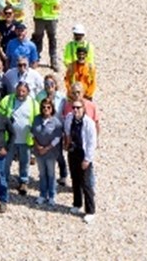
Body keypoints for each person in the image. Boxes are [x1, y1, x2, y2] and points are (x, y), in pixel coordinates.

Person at [64, 88, 97, 221]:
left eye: (78, 108)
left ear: (83, 108)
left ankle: (90, 210)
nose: (75, 110)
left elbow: (91, 142)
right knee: (75, 179)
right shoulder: (69, 118)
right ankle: (77, 203)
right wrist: (67, 144)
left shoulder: (89, 123)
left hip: (84, 154)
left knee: (86, 183)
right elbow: (67, 132)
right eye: (74, 108)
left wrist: (87, 159)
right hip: (73, 152)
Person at [31, 95, 63, 207]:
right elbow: (33, 133)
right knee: (42, 174)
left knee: (51, 174)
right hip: (39, 152)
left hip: (50, 153)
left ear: (52, 108)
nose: (46, 109)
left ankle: (52, 196)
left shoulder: (56, 122)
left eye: (48, 107)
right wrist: (38, 146)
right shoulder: (36, 119)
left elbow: (57, 138)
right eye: (44, 107)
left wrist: (47, 148)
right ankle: (42, 194)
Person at [31, 0, 61, 68]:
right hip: (39, 16)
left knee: (52, 38)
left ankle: (53, 60)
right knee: (38, 38)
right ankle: (36, 58)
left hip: (52, 17)